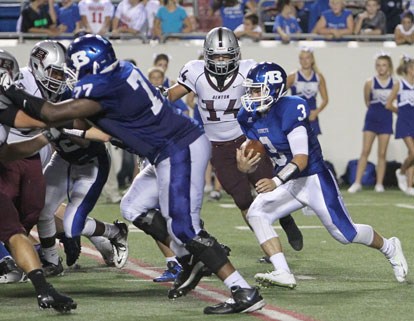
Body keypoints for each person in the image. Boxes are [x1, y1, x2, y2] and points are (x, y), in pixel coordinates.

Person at [0, 34, 265, 315]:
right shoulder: (125, 69)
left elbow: (53, 114)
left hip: (177, 148)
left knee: (184, 227)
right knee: (132, 206)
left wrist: (9, 90)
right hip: (168, 148)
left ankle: (242, 290)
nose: (75, 75)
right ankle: (191, 258)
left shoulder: (101, 88)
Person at [236, 61, 408, 289]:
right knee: (257, 212)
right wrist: (246, 167)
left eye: (257, 90)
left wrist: (276, 181)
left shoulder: (291, 108)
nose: (252, 95)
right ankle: (282, 271)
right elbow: (259, 150)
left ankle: (389, 246)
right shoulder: (247, 116)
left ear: (274, 89)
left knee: (346, 234)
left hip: (313, 178)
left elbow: (301, 159)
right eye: (251, 90)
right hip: (290, 182)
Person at [167, 27, 303, 256]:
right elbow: (171, 94)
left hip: (246, 139)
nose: (221, 61)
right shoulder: (194, 71)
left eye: (226, 55)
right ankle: (269, 243)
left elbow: (272, 85)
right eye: (216, 55)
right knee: (243, 202)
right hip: (217, 148)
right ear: (206, 54)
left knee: (266, 189)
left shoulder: (248, 69)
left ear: (236, 54)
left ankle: (285, 218)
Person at [23, 40, 128, 273]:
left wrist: (52, 122)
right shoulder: (28, 87)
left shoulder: (71, 94)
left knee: (71, 225)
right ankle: (51, 261)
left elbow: (83, 138)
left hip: (90, 161)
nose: (60, 79)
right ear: (38, 68)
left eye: (62, 73)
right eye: (55, 72)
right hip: (62, 158)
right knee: (42, 209)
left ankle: (115, 232)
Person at [0, 49, 76, 312]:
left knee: (15, 232)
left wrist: (47, 134)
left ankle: (45, 290)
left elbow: (9, 148)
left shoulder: (4, 108)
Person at [348, 54, 394, 194]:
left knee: (382, 153)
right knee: (365, 150)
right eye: (378, 65)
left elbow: (392, 102)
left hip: (386, 118)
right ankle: (357, 182)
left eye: (384, 65)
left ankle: (379, 184)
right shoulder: (370, 82)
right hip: (372, 117)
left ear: (389, 67)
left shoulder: (395, 83)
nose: (381, 68)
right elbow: (367, 101)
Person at [386, 55, 414, 195]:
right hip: (405, 121)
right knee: (413, 151)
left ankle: (409, 186)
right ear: (408, 69)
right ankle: (401, 171)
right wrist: (401, 113)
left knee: (412, 154)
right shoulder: (399, 84)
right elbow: (388, 104)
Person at [287, 47, 328, 136]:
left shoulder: (318, 77)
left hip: (311, 117)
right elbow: (280, 94)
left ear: (312, 59)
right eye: (302, 58)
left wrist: (316, 112)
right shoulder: (293, 76)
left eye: (307, 58)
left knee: (312, 148)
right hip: (296, 117)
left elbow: (325, 99)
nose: (305, 61)